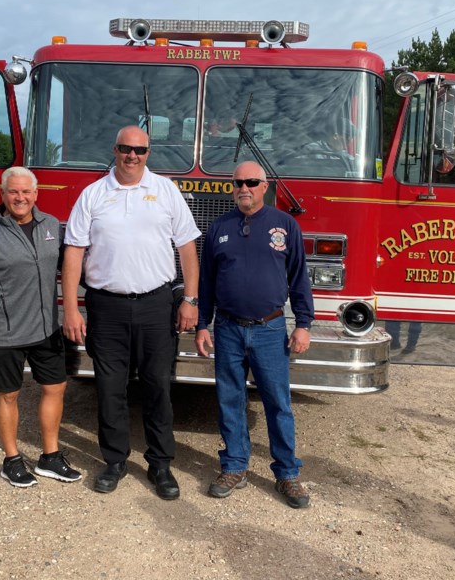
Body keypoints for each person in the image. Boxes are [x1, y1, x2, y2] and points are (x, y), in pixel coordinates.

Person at [62, 125, 200, 500]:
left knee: (158, 386)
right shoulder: (93, 195)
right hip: (105, 307)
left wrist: (190, 299)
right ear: (115, 149)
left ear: (148, 153)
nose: (132, 156)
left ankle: (160, 464)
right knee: (110, 389)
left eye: (139, 150)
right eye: (125, 149)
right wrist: (72, 308)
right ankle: (114, 461)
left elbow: (187, 247)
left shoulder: (166, 191)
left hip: (157, 305)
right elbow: (74, 250)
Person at [195, 161, 315, 509]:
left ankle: (288, 473)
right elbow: (206, 283)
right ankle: (234, 466)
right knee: (229, 400)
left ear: (265, 186)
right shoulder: (219, 228)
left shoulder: (285, 226)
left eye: (251, 182)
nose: (243, 188)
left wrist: (303, 324)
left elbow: (299, 279)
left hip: (270, 328)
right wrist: (204, 323)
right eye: (237, 183)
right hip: (228, 329)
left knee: (278, 404)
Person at [0, 166, 82, 488]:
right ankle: (11, 459)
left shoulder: (52, 226)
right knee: (8, 395)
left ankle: (50, 457)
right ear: (3, 195)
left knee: (55, 388)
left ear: (36, 194)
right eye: (13, 192)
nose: (20, 197)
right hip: (5, 334)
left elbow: (73, 264)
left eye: (26, 191)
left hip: (46, 330)